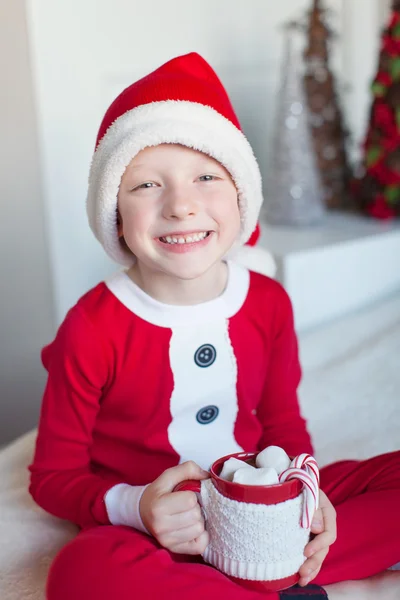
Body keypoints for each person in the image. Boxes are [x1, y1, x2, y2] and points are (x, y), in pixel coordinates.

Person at [29, 53, 399, 600]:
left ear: (240, 196)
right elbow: (53, 478)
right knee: (80, 572)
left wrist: (303, 488)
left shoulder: (268, 302)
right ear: (116, 219)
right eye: (146, 185)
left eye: (206, 176)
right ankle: (274, 580)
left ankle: (267, 567)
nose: (181, 206)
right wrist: (138, 506)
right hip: (162, 530)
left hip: (264, 507)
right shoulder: (92, 327)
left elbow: (282, 424)